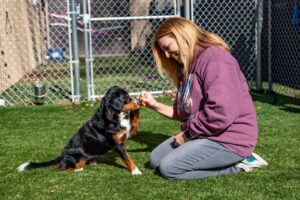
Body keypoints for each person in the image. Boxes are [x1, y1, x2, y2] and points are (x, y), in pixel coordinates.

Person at [139, 17, 268, 180]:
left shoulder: (215, 59)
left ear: (182, 36)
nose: (167, 55)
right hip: (204, 134)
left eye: (168, 47)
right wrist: (154, 105)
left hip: (230, 139)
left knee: (169, 169)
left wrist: (187, 135)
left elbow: (221, 113)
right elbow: (183, 113)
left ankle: (240, 165)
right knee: (155, 160)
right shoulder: (187, 66)